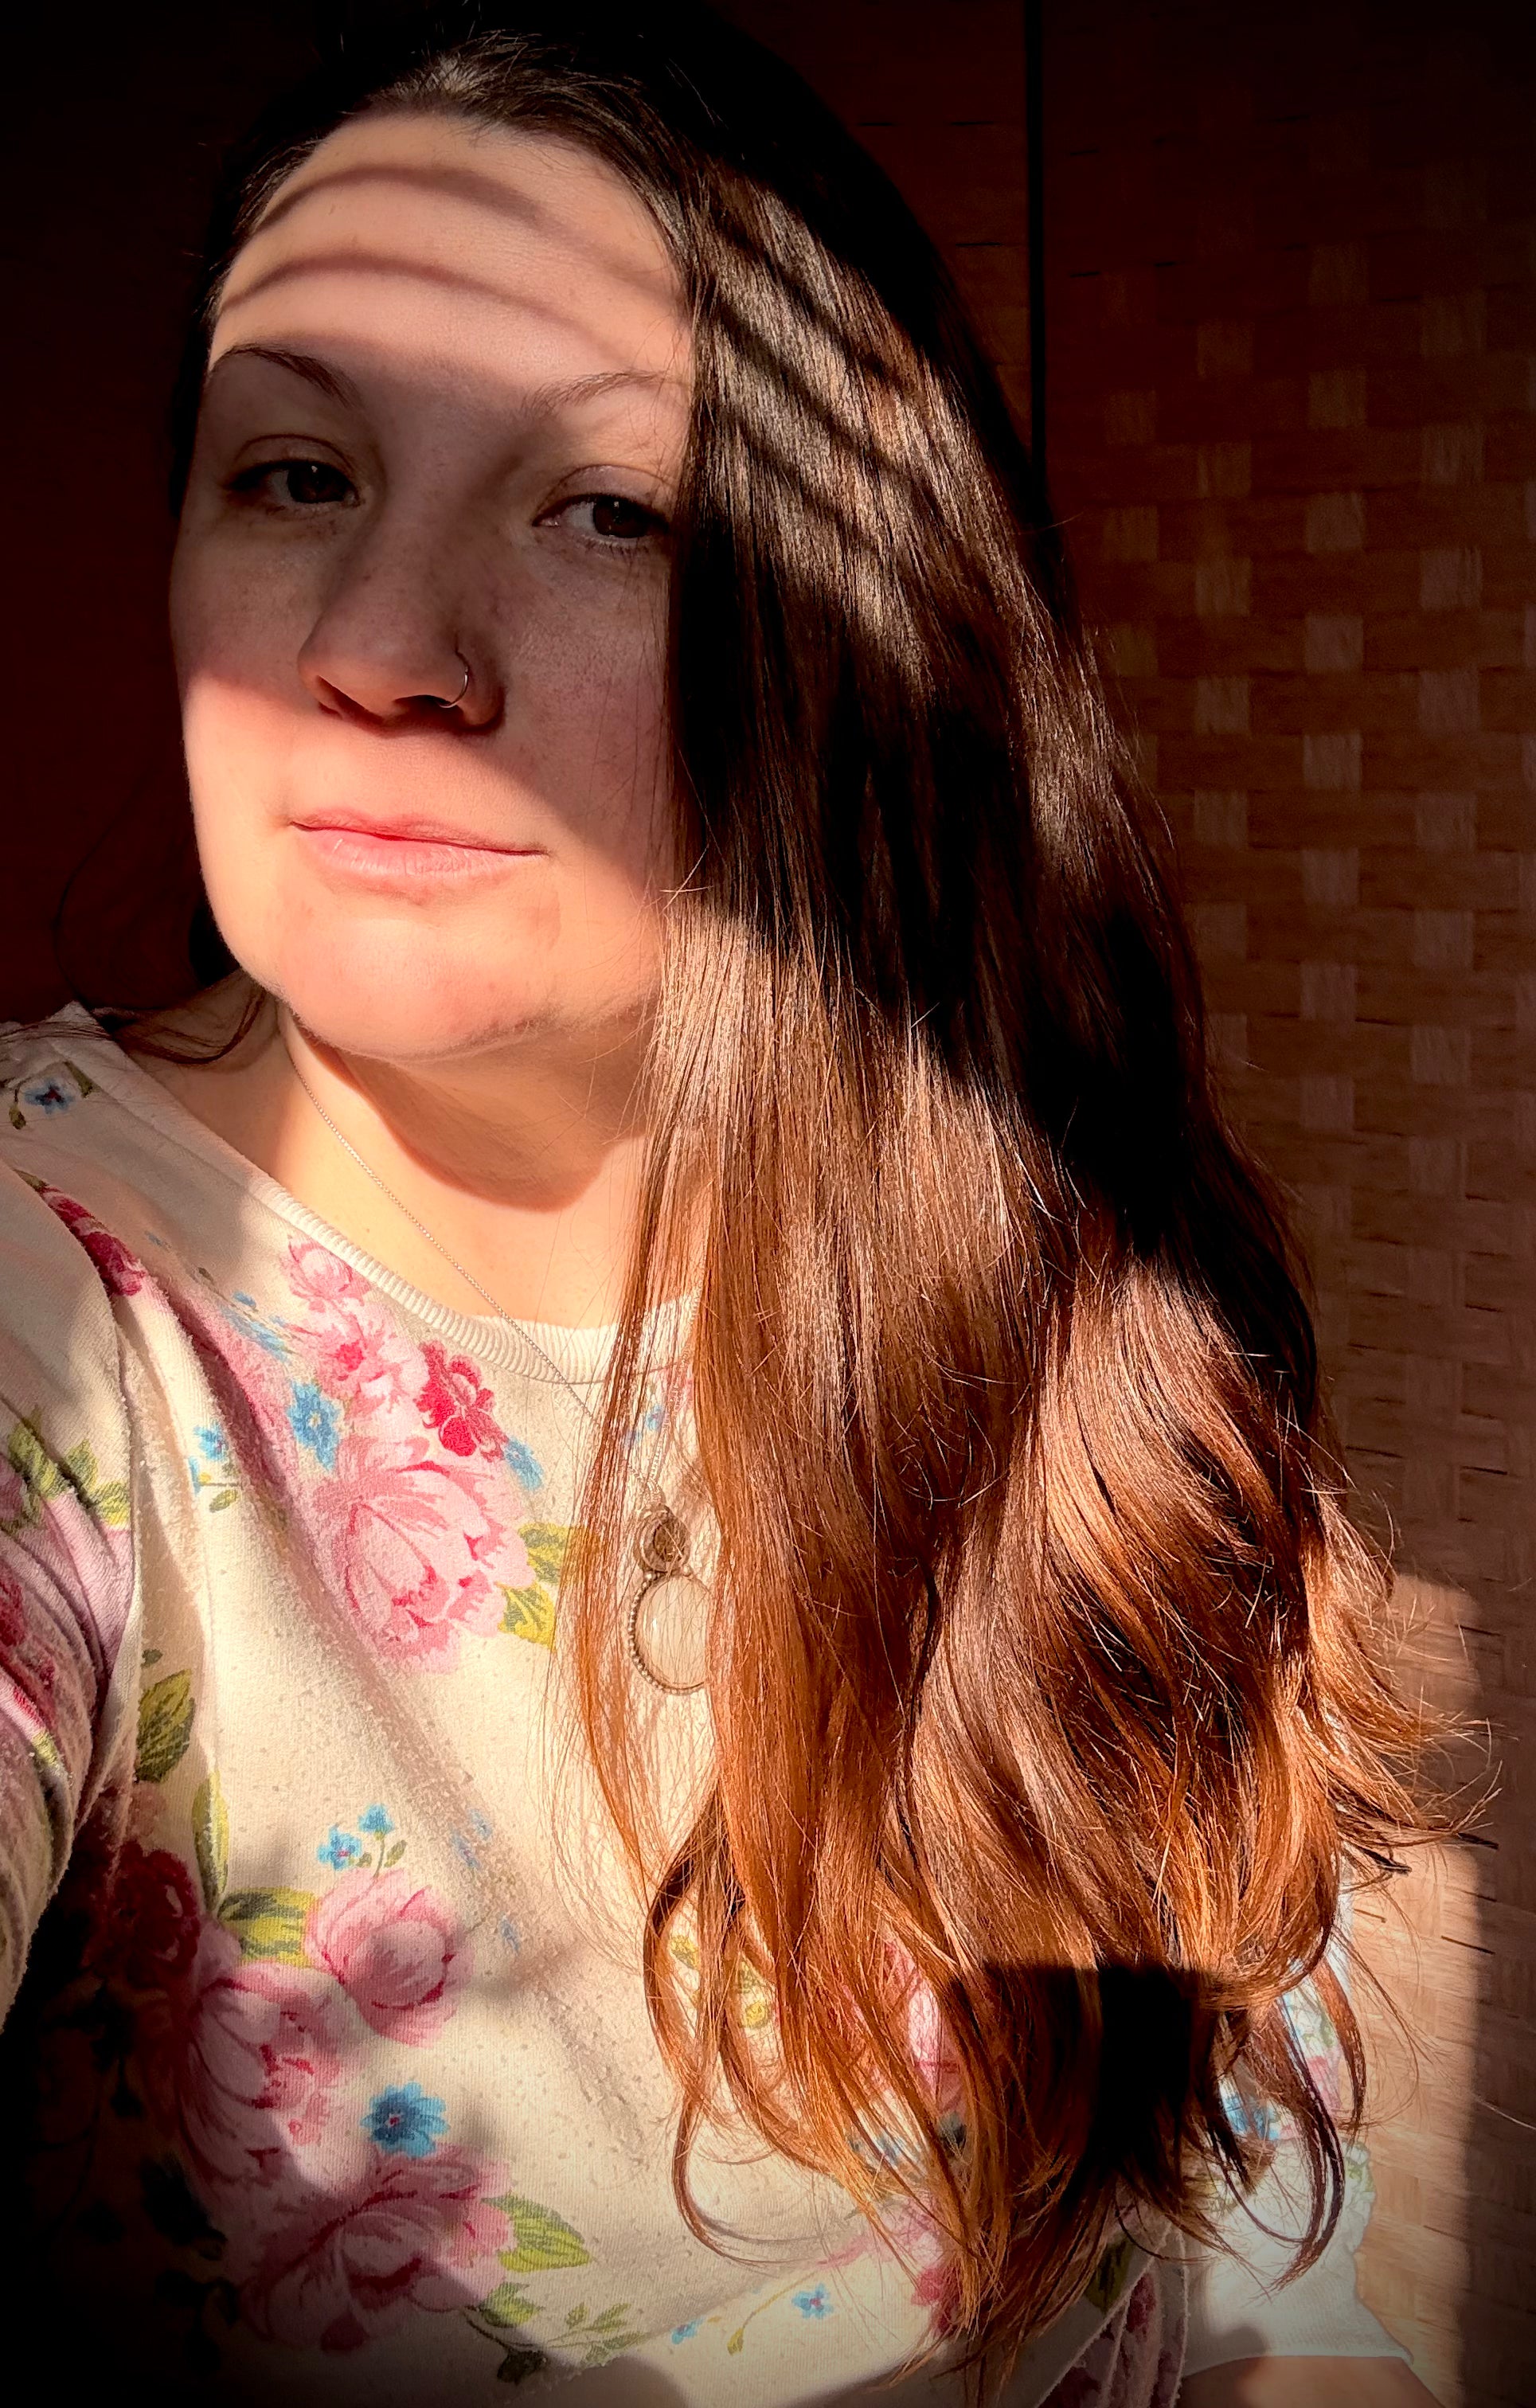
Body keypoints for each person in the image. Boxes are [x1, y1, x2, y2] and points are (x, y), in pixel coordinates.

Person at [0, 9, 1447, 2402]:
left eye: (607, 508)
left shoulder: (1051, 1280)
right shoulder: (68, 1317)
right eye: (294, 473)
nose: (374, 651)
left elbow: (1228, 2217)